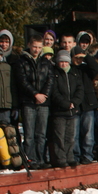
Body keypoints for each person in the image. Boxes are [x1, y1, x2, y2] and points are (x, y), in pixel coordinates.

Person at [16, 35, 54, 169]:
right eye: (34, 47)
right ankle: (30, 159)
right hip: (28, 101)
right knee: (29, 133)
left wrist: (44, 95)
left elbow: (50, 80)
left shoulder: (46, 62)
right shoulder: (22, 61)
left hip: (43, 102)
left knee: (41, 133)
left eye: (39, 47)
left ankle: (41, 158)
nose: (36, 50)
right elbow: (22, 81)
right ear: (29, 46)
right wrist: (35, 94)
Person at [50, 50, 83, 167]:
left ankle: (70, 157)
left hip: (72, 110)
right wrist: (65, 103)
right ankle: (61, 159)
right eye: (61, 62)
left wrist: (74, 102)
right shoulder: (54, 74)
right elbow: (54, 92)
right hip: (59, 111)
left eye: (65, 61)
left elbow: (80, 89)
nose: (63, 64)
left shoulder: (74, 73)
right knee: (59, 136)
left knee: (70, 137)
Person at [71, 48, 98, 164]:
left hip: (88, 103)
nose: (78, 60)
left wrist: (86, 56)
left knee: (88, 133)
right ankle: (76, 156)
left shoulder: (86, 68)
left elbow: (97, 69)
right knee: (74, 134)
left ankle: (88, 155)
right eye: (76, 57)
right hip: (75, 104)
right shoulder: (70, 69)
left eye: (80, 58)